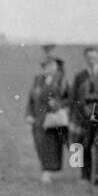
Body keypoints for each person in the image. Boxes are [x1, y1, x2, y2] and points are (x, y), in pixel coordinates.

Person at [70, 46, 98, 186]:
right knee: (85, 145)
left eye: (94, 57)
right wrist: (76, 116)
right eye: (89, 58)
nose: (92, 60)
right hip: (84, 116)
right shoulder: (80, 76)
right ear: (85, 59)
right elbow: (74, 98)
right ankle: (85, 176)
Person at [25, 50, 70, 183]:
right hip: (38, 119)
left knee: (51, 146)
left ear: (56, 67)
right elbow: (31, 99)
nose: (47, 68)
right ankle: (48, 171)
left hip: (53, 120)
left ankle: (48, 172)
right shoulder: (38, 80)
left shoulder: (61, 81)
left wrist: (57, 104)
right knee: (40, 145)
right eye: (45, 65)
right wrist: (29, 114)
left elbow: (69, 99)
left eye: (51, 65)